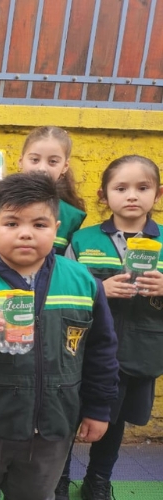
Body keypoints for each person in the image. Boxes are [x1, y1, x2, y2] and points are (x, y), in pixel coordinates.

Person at [0, 171, 119, 500]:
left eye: (39, 225)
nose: (25, 234)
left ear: (56, 229)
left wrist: (98, 408)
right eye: (12, 223)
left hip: (51, 429)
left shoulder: (82, 282)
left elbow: (102, 350)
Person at [58, 155, 163, 499]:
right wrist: (98, 289)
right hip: (83, 350)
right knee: (68, 415)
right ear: (104, 196)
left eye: (142, 188)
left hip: (140, 349)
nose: (132, 196)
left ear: (157, 194)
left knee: (113, 421)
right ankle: (58, 479)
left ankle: (98, 479)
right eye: (121, 188)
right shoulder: (83, 240)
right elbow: (62, 289)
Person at [0, 126, 87, 254]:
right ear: (20, 161)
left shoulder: (71, 216)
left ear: (65, 166)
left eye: (52, 162)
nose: (42, 168)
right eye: (34, 160)